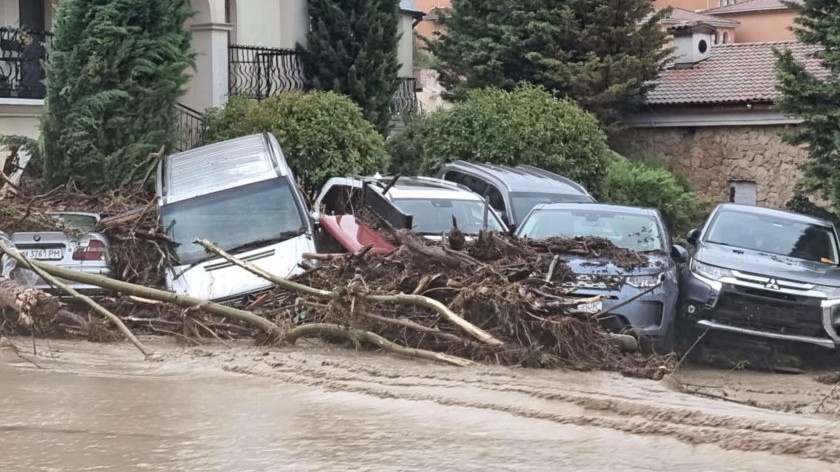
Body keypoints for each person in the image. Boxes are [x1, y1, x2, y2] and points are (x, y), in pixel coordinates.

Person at [19, 32, 45, 99]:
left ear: (31, 39)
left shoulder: (34, 48)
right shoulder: (26, 49)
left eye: (27, 38)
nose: (25, 41)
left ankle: (30, 90)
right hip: (28, 71)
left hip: (32, 71)